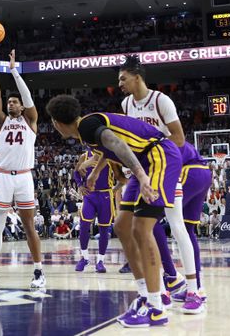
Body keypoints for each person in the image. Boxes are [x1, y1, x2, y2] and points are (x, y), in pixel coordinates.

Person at [46, 95, 182, 328]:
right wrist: (96, 171)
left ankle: (157, 306)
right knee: (121, 227)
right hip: (146, 159)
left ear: (57, 123)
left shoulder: (87, 126)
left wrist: (140, 176)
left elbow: (117, 144)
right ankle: (144, 293)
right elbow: (106, 150)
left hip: (159, 156)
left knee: (142, 228)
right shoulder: (86, 129)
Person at [118, 55, 208, 313]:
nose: (120, 84)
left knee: (177, 225)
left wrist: (167, 164)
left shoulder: (160, 100)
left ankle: (193, 292)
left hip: (166, 164)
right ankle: (158, 289)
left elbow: (179, 138)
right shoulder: (126, 104)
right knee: (132, 225)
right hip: (142, 170)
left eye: (123, 79)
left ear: (137, 77)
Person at [0, 50, 45, 290]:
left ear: (21, 106)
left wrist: (13, 71)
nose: (11, 104)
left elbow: (29, 99)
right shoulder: (1, 121)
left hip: (24, 177)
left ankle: (38, 271)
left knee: (29, 225)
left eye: (14, 102)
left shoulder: (30, 120)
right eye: (10, 102)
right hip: (3, 177)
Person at [73, 150, 125, 273]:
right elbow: (76, 172)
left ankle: (100, 261)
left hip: (105, 195)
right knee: (84, 225)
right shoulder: (84, 156)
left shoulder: (110, 155)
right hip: (89, 195)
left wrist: (114, 189)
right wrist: (80, 185)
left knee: (104, 229)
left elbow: (121, 177)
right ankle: (84, 258)